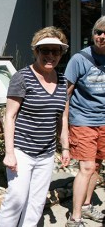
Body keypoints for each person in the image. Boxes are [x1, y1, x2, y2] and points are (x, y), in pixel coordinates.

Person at [0, 26, 71, 227]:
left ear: (61, 53)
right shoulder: (22, 77)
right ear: (36, 51)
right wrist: (9, 152)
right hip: (22, 151)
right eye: (45, 50)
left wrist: (65, 147)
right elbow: (9, 116)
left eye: (56, 51)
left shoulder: (62, 80)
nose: (50, 55)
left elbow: (62, 117)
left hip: (46, 153)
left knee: (37, 204)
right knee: (16, 199)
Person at [64, 16, 105, 227]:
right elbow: (66, 95)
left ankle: (87, 205)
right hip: (83, 120)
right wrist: (63, 128)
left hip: (103, 121)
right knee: (87, 167)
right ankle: (75, 217)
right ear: (93, 36)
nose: (102, 36)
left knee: (97, 165)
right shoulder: (79, 59)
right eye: (98, 32)